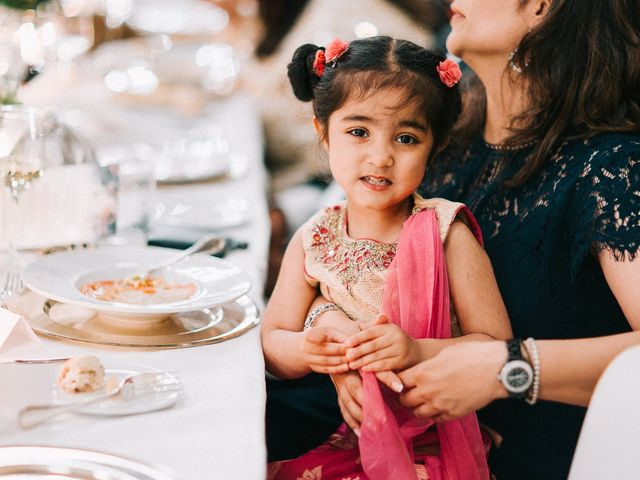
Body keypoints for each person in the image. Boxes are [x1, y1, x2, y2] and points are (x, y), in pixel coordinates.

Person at [321, 1, 640, 479]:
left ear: (540, 6)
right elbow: (347, 255)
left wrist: (508, 366)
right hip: (402, 440)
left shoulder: (611, 168)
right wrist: (340, 346)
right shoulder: (443, 141)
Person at [261, 35, 514, 479]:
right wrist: (307, 349)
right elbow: (272, 340)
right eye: (358, 132)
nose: (380, 157)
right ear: (323, 131)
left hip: (432, 436)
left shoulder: (445, 234)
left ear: (433, 148)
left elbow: (495, 347)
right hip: (343, 427)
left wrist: (417, 349)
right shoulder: (315, 237)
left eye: (406, 138)